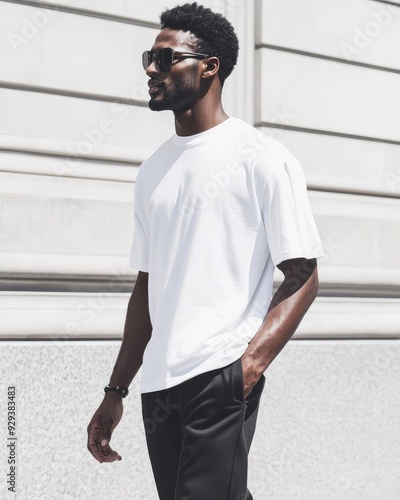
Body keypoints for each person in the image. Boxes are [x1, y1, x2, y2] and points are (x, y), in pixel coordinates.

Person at [87, 3, 325, 499]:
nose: (151, 69)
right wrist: (116, 392)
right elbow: (147, 287)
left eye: (164, 57)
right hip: (158, 387)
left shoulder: (262, 157)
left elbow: (303, 273)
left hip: (219, 378)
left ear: (209, 66)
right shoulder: (152, 171)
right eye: (147, 58)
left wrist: (247, 369)